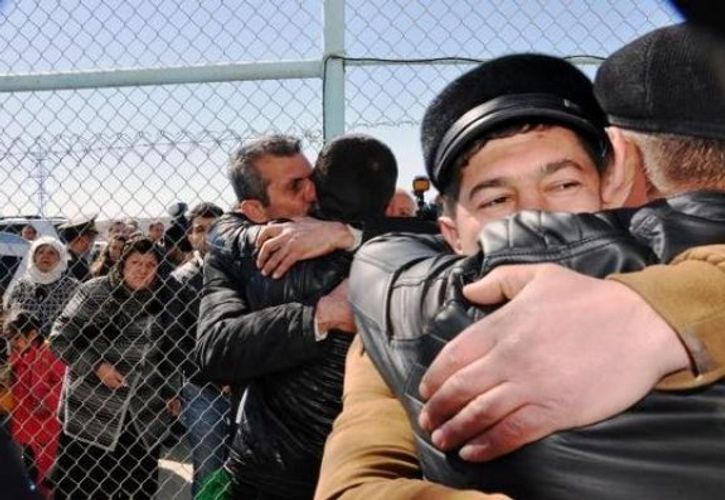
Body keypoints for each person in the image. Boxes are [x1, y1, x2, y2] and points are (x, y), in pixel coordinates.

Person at [320, 26, 725, 499]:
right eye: (495, 200)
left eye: (564, 185)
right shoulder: (388, 337)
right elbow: (358, 479)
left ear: (610, 190)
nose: (535, 215)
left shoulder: (677, 260)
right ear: (451, 233)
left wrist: (663, 307)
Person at [195, 133, 400, 499]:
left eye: (312, 179)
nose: (311, 192)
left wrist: (347, 234)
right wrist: (318, 316)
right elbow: (215, 350)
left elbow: (438, 233)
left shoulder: (353, 232)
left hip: (366, 468)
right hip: (280, 475)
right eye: (295, 186)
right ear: (255, 210)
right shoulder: (241, 257)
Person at [50, 237, 179, 500]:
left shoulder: (165, 299)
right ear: (122, 265)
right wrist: (97, 367)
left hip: (142, 413)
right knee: (84, 490)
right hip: (92, 412)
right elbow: (59, 338)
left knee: (137, 490)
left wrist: (171, 390)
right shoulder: (95, 291)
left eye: (150, 264)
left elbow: (170, 351)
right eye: (135, 262)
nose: (142, 270)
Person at [157, 201, 227, 496]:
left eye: (214, 228)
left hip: (246, 385)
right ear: (190, 236)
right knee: (209, 466)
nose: (207, 235)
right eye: (200, 229)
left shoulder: (245, 271)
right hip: (202, 389)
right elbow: (176, 340)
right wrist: (216, 377)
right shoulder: (180, 279)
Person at [3, 309, 64, 497]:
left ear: (33, 334)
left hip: (46, 427)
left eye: (18, 338)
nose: (14, 344)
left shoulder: (49, 353)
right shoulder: (17, 355)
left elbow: (62, 384)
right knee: (26, 471)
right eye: (11, 339)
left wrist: (46, 401)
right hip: (24, 427)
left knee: (45, 475)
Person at [4, 236, 80, 338]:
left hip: (58, 341)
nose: (45, 256)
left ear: (60, 258)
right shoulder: (22, 285)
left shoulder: (71, 286)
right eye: (40, 252)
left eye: (51, 253)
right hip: (24, 342)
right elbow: (9, 312)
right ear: (33, 257)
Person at [57, 217, 99, 281]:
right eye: (90, 237)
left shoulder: (79, 260)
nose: (92, 242)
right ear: (80, 239)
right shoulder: (68, 262)